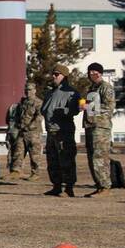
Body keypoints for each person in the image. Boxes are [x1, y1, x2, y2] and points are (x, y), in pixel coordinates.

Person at [40, 65, 79, 197]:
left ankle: (68, 188)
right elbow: (44, 110)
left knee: (66, 160)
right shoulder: (50, 93)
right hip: (51, 132)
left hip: (63, 132)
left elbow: (75, 110)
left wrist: (64, 111)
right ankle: (56, 186)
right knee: (52, 161)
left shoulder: (71, 92)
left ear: (64, 76)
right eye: (53, 74)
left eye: (57, 74)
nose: (54, 76)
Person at [82, 62, 116, 197]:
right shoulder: (92, 89)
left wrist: (89, 107)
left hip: (101, 127)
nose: (91, 75)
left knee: (100, 157)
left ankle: (105, 186)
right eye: (89, 73)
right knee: (91, 157)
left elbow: (109, 107)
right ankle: (99, 186)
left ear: (100, 73)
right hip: (90, 126)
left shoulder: (106, 88)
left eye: (94, 72)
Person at [5, 82, 43, 180]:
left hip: (33, 132)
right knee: (18, 151)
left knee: (34, 154)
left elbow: (39, 117)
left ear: (35, 90)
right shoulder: (23, 102)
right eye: (26, 90)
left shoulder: (38, 103)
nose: (28, 92)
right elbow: (18, 116)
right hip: (21, 131)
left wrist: (29, 126)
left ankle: (35, 173)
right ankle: (16, 171)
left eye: (30, 90)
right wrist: (17, 126)